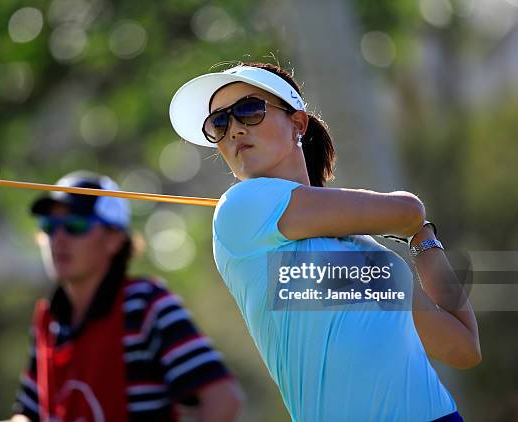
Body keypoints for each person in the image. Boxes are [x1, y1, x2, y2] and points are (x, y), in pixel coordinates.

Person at [169, 62, 481, 421]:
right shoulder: (240, 208)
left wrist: (424, 239)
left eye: (249, 110)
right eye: (219, 124)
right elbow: (407, 208)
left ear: (297, 124)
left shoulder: (367, 253)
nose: (234, 130)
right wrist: (412, 220)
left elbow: (462, 346)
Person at [10, 171, 243, 422]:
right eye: (49, 227)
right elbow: (28, 414)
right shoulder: (48, 319)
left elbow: (223, 398)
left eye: (76, 225)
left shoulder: (146, 304)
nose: (58, 239)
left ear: (114, 239)